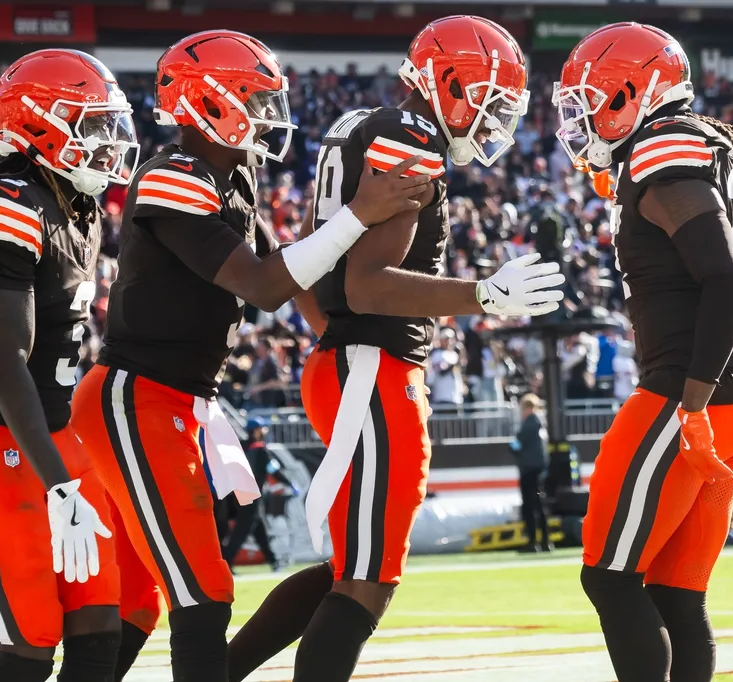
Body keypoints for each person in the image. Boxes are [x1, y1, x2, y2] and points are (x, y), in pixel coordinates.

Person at [68, 30, 431, 682]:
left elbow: (288, 286)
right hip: (136, 393)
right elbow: (261, 286)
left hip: (174, 398)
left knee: (136, 603)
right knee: (203, 594)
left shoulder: (231, 177)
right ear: (211, 101)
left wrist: (344, 344)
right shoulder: (173, 176)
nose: (269, 111)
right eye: (256, 96)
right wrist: (357, 214)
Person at [227, 16, 566, 682]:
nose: (496, 121)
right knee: (369, 580)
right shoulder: (409, 139)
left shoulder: (362, 125)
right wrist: (486, 297)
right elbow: (370, 284)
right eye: (491, 101)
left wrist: (329, 335)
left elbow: (316, 260)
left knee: (350, 567)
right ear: (451, 82)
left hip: (347, 363)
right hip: (372, 372)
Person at [552, 23, 733, 682]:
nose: (581, 118)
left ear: (632, 92)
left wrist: (690, 404)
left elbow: (724, 278)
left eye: (589, 99)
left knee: (609, 578)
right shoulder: (713, 141)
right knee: (675, 594)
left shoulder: (660, 149)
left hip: (692, 394)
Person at [0, 49, 139, 682]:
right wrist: (58, 484)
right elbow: (4, 362)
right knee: (28, 654)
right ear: (42, 124)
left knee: (102, 628)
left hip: (57, 432)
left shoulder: (77, 208)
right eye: (95, 124)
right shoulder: (4, 201)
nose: (110, 143)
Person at [222, 417, 278, 570]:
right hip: (252, 496)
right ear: (256, 431)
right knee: (241, 532)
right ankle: (226, 562)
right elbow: (274, 471)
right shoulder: (260, 449)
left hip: (240, 495)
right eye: (262, 429)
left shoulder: (241, 448)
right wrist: (290, 485)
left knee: (260, 531)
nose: (264, 432)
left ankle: (274, 561)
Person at [511, 393, 551, 553]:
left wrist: (513, 447)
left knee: (529, 506)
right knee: (540, 506)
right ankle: (545, 541)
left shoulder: (529, 425)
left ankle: (533, 541)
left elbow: (516, 445)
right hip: (538, 469)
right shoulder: (540, 424)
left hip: (528, 469)